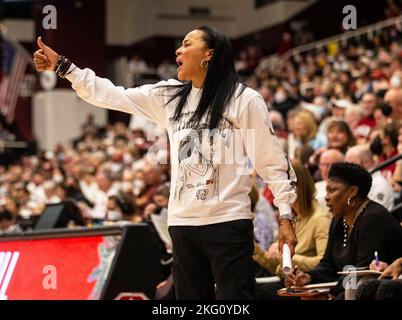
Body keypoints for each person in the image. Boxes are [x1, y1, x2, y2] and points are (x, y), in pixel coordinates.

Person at [33, 25, 298, 300]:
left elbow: (272, 162)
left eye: (186, 44)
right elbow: (111, 94)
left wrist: (286, 216)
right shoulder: (170, 96)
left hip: (227, 222)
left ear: (209, 54)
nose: (178, 50)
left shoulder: (244, 100)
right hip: (181, 224)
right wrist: (65, 67)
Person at [285, 162, 402, 299]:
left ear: (352, 191)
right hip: (351, 290)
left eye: (332, 190)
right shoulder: (338, 220)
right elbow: (327, 266)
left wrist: (328, 296)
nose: (327, 197)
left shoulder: (373, 219)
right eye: (327, 190)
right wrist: (308, 277)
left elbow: (362, 274)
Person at [254, 161, 330, 299]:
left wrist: (286, 257)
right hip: (287, 281)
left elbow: (324, 263)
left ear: (297, 188)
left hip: (307, 285)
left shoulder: (320, 219)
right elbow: (277, 266)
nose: (278, 193)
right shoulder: (290, 218)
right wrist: (254, 249)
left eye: (283, 187)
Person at [345, 145, 394, 211]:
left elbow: (374, 217)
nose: (347, 170)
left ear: (366, 162)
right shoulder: (360, 182)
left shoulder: (379, 184)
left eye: (351, 165)